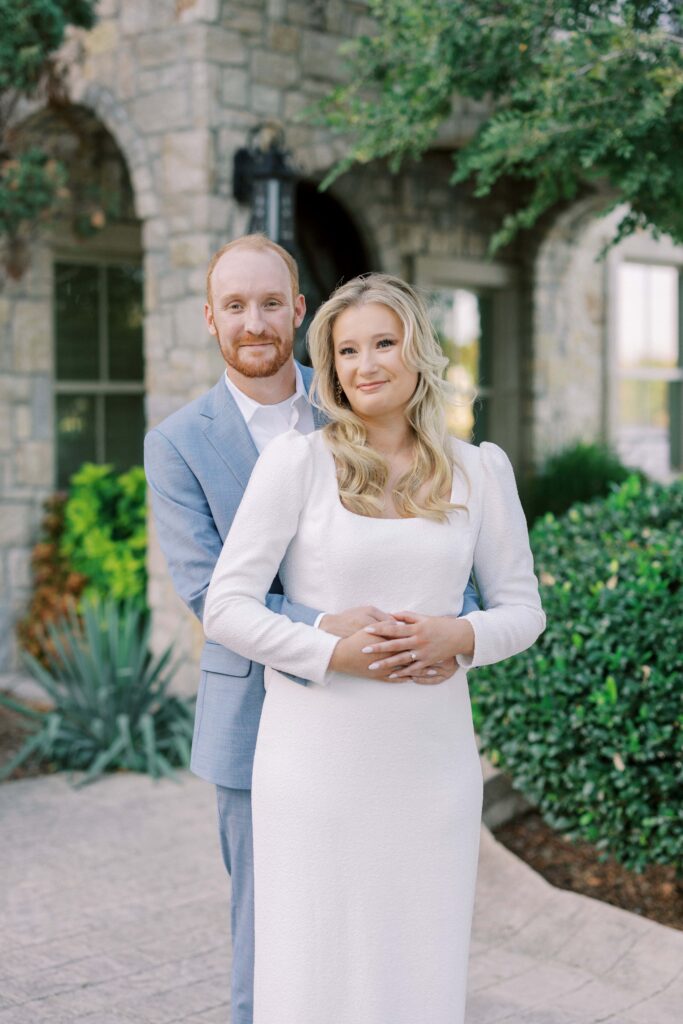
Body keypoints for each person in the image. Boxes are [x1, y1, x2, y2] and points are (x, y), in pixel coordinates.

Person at [144, 238, 479, 1024]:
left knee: (380, 911)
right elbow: (207, 588)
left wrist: (447, 628)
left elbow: (443, 533)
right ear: (210, 319)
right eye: (235, 306)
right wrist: (329, 632)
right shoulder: (178, 444)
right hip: (253, 709)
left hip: (386, 712)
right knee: (271, 930)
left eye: (270, 303)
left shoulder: (356, 392)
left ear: (297, 312)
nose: (254, 321)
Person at [203, 273, 546, 1024]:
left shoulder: (478, 470)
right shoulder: (297, 464)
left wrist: (461, 634)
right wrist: (329, 650)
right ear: (329, 367)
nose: (365, 365)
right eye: (346, 350)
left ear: (417, 350)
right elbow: (226, 607)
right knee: (315, 960)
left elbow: (523, 611)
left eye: (382, 343)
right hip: (314, 761)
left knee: (417, 958)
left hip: (429, 763)